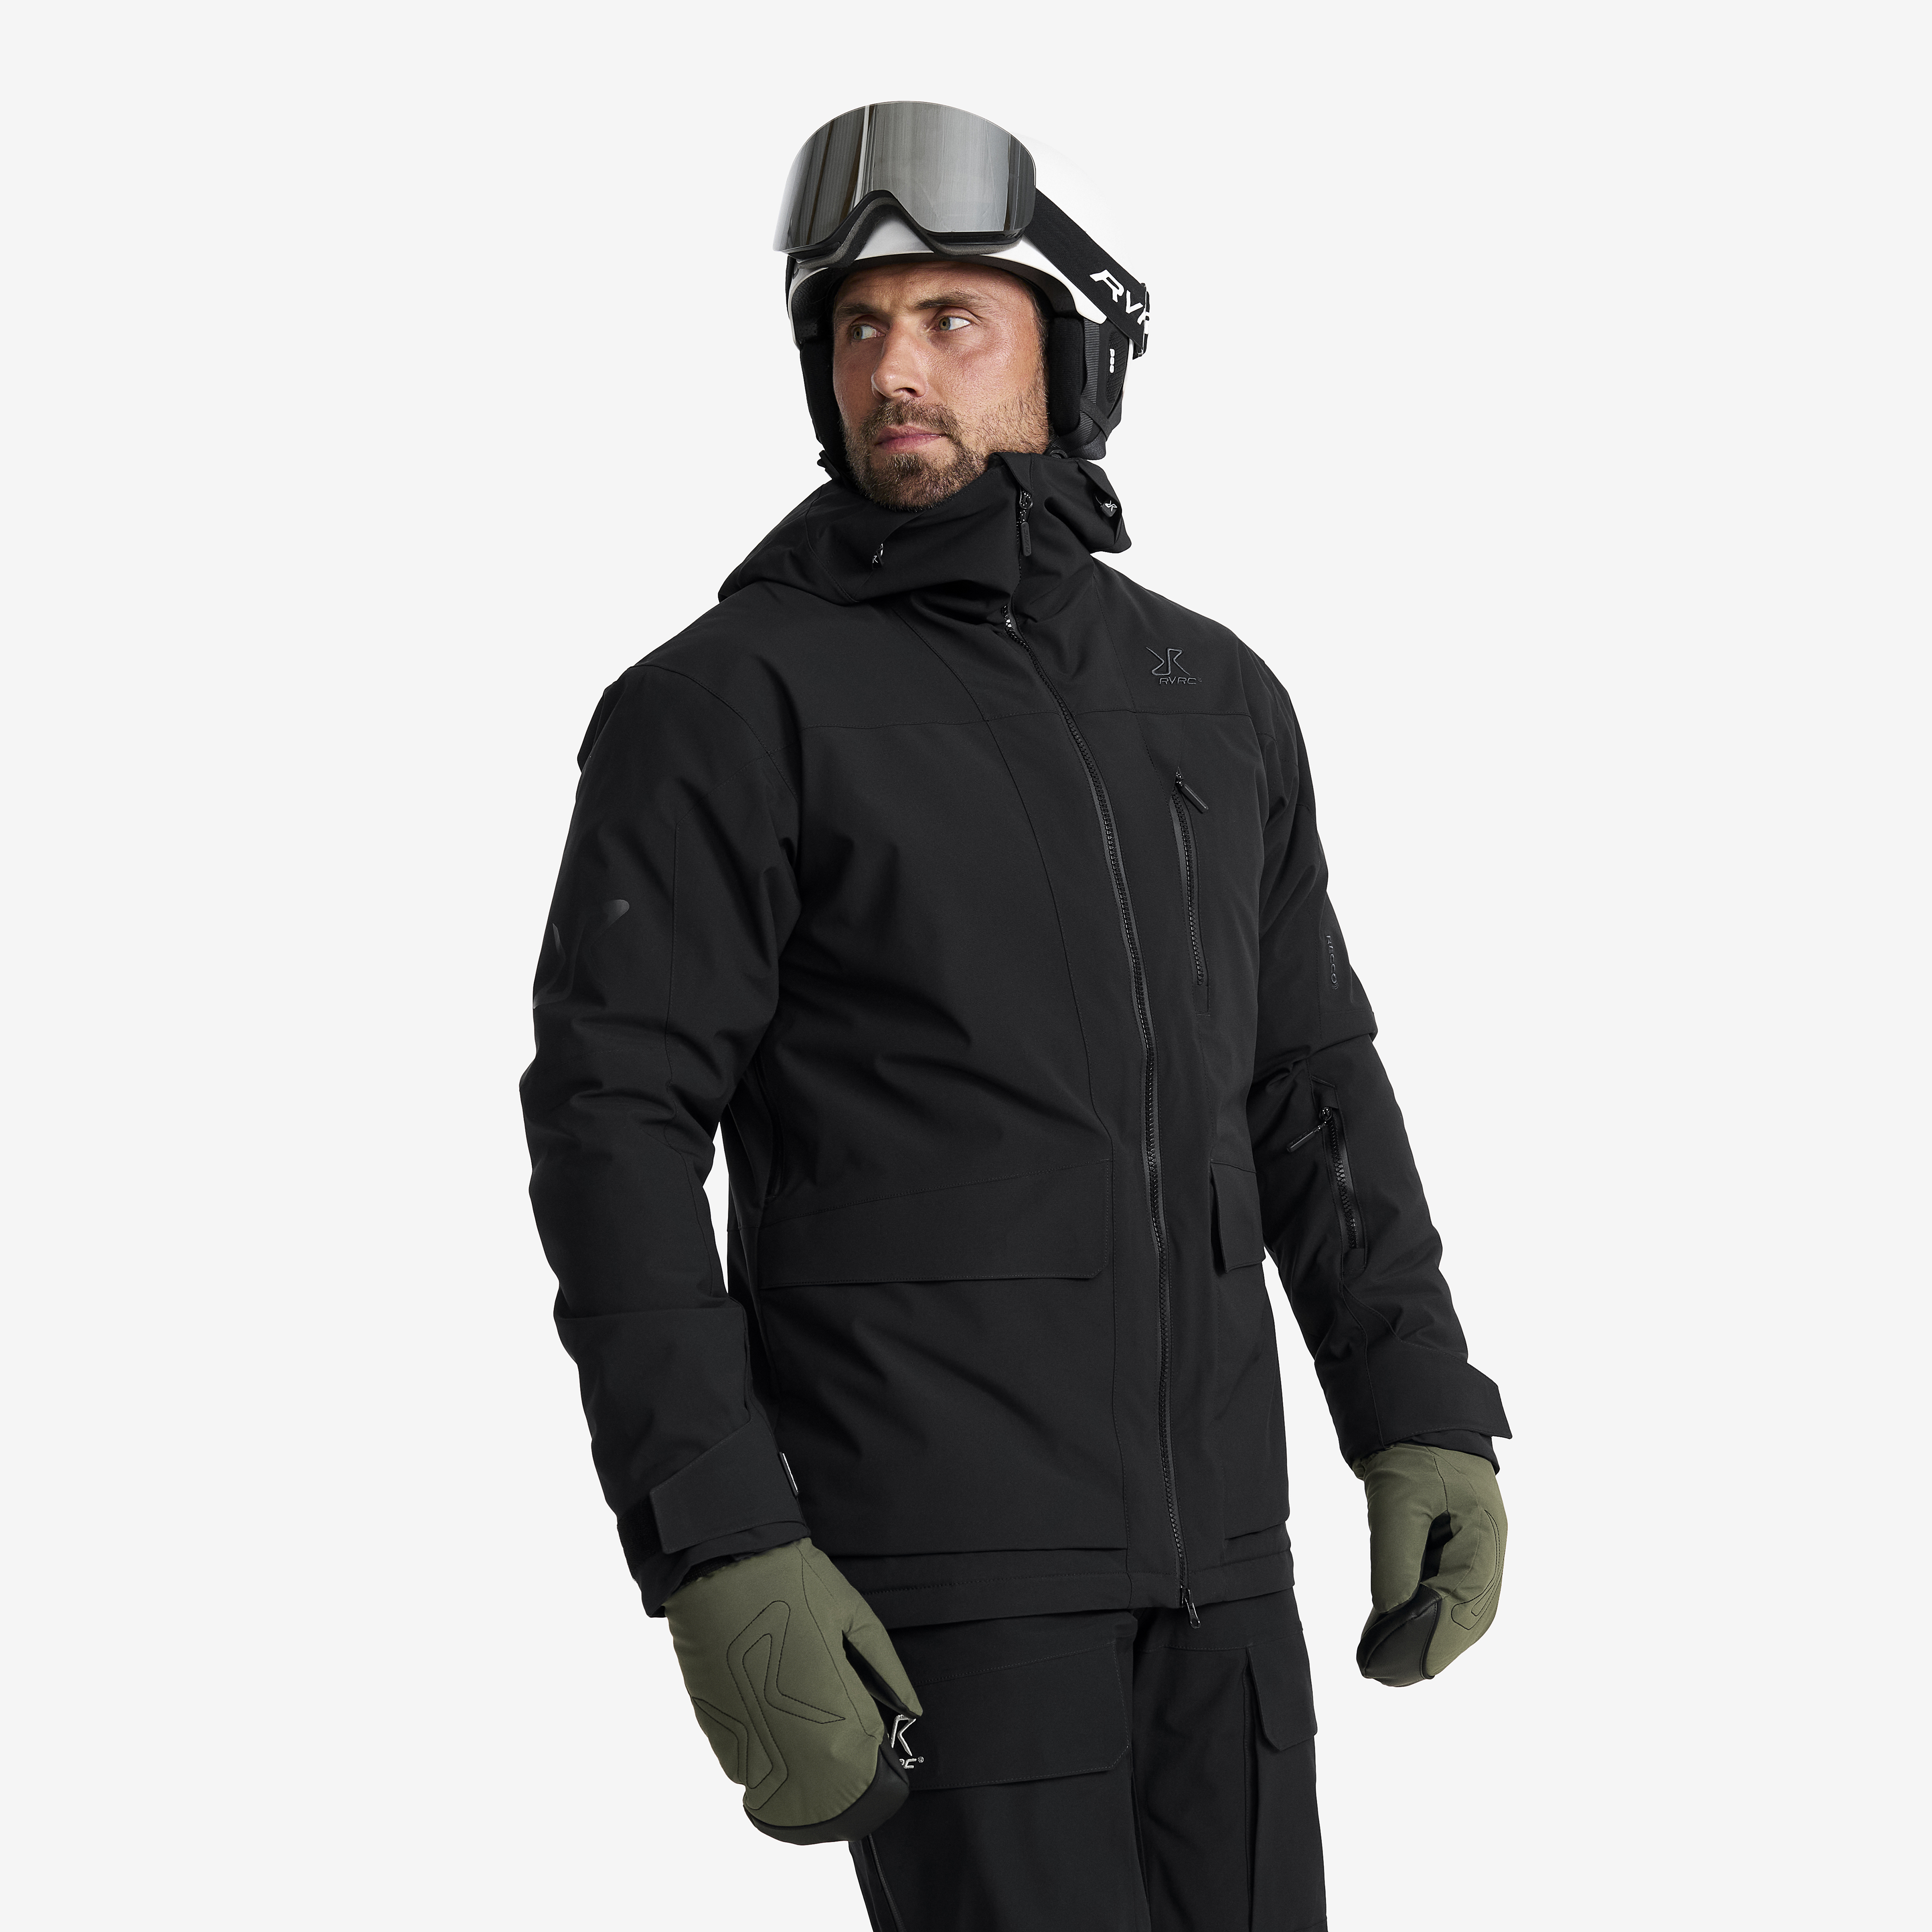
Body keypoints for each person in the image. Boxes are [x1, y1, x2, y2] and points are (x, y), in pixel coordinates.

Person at [521, 100, 1511, 1931]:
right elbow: (615, 1134)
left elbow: (1307, 1081)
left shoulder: (1209, 694)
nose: (892, 369)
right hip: (949, 1586)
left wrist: (1418, 1405)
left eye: (950, 319)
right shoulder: (728, 705)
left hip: (1225, 1575)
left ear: (1071, 352)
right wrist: (720, 1542)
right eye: (856, 328)